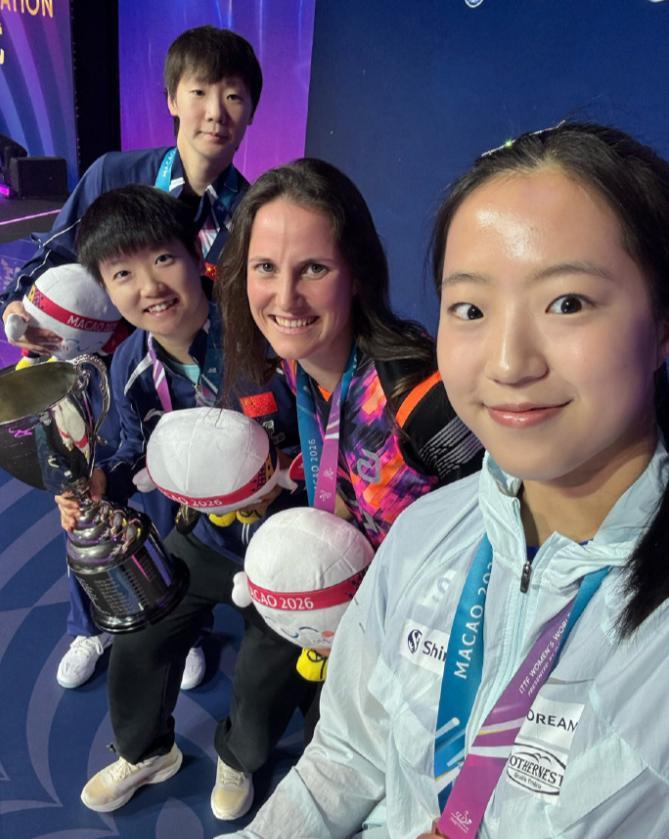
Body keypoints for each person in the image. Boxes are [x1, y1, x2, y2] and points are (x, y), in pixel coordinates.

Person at [224, 122, 669, 839]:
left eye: (567, 302)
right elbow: (346, 756)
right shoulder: (427, 535)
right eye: (471, 309)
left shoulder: (413, 399)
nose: (508, 362)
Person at [2, 24, 262, 689]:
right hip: (91, 375)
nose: (215, 112)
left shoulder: (250, 212)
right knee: (82, 493)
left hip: (181, 374)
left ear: (250, 111)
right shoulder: (113, 176)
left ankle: (178, 626)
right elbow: (50, 259)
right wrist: (18, 311)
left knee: (171, 496)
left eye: (233, 96)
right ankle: (86, 623)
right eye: (199, 92)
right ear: (173, 98)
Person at [66, 184, 313, 823]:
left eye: (162, 259)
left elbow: (323, 430)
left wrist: (287, 478)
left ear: (192, 253)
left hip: (288, 540)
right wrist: (101, 483)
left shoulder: (261, 331)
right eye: (122, 274)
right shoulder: (129, 364)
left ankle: (239, 757)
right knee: (139, 636)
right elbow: (132, 452)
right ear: (105, 287)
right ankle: (148, 752)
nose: (149, 286)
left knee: (265, 667)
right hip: (201, 535)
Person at [218, 158, 483, 551]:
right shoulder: (297, 362)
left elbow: (496, 533)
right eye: (266, 267)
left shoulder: (420, 396)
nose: (286, 298)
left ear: (357, 275)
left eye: (314, 269)